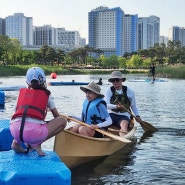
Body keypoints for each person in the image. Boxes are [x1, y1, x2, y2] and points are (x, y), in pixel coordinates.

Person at [10, 67, 67, 156]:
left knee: (22, 122)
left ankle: (16, 143)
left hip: (14, 131)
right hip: (33, 133)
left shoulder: (21, 94)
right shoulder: (46, 95)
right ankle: (36, 144)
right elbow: (57, 117)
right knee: (63, 121)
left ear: (27, 81)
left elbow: (14, 115)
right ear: (43, 80)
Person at [105, 71, 142, 135]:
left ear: (121, 80)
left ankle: (122, 137)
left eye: (117, 80)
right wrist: (116, 106)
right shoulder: (109, 91)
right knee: (102, 125)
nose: (115, 82)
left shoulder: (130, 92)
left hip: (124, 115)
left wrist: (137, 115)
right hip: (111, 114)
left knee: (124, 127)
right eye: (113, 80)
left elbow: (133, 106)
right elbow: (106, 105)